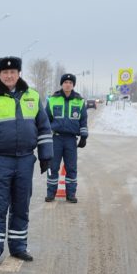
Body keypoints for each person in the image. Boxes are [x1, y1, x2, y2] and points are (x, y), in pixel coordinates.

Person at [0, 56, 53, 265]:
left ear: (19, 73)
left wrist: (46, 156)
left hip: (25, 160)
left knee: (21, 205)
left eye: (13, 72)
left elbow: (44, 129)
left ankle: (18, 247)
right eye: (5, 73)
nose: (9, 76)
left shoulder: (32, 97)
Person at [45, 73, 89, 203]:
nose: (68, 84)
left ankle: (71, 194)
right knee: (52, 167)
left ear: (73, 85)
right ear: (62, 84)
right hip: (56, 139)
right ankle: (51, 193)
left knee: (71, 168)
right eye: (65, 82)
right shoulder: (52, 100)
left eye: (70, 82)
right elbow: (46, 120)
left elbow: (83, 120)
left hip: (71, 140)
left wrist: (84, 137)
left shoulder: (79, 101)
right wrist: (45, 137)